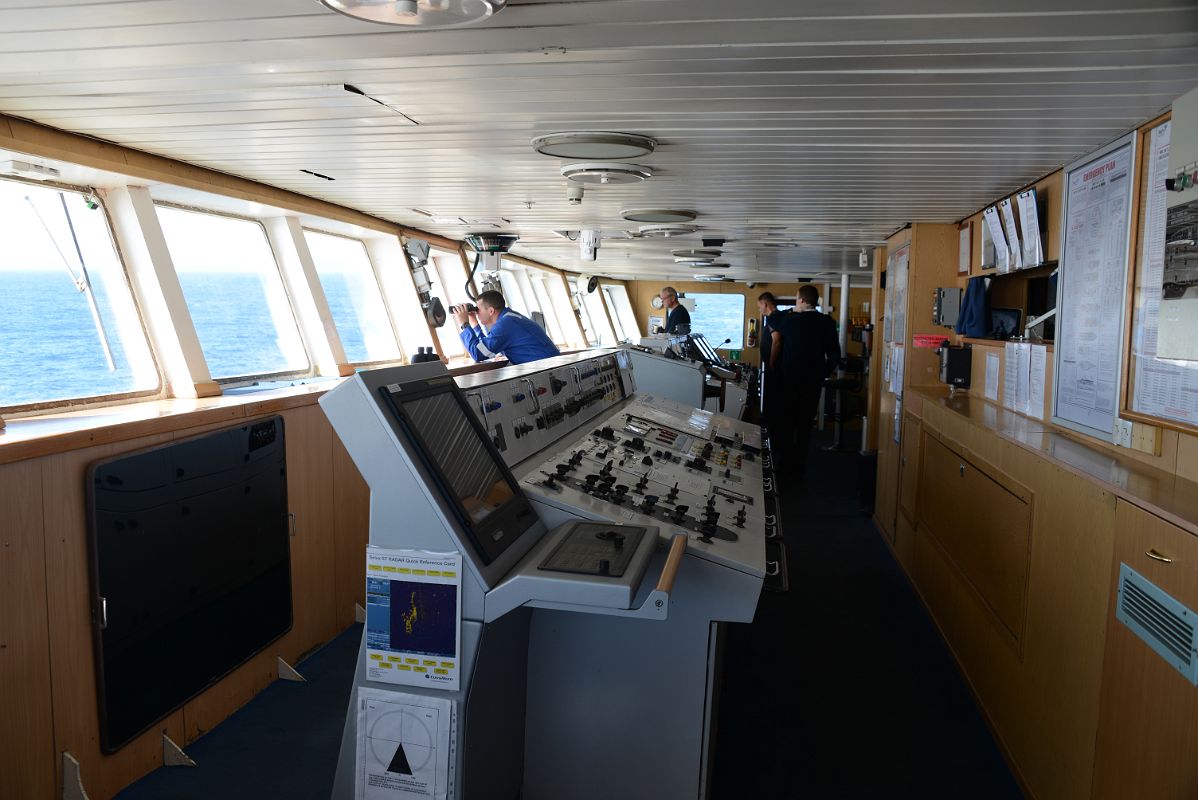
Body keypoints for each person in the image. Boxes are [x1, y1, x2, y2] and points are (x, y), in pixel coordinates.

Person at [775, 284, 840, 477]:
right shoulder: (827, 322)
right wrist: (821, 372)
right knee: (804, 425)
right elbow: (835, 355)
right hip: (812, 383)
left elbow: (773, 319)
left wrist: (790, 310)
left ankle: (785, 465)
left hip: (789, 381)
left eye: (796, 300)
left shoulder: (789, 320)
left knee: (787, 423)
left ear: (801, 301)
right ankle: (799, 466)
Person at [452, 290, 560, 365]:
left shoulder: (505, 324)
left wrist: (464, 324)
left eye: (478, 310)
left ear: (490, 311)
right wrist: (474, 323)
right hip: (549, 365)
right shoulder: (509, 317)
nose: (477, 313)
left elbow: (478, 354)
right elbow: (486, 349)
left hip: (546, 368)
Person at [756, 291, 791, 458]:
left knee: (774, 404)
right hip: (774, 369)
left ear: (765, 304)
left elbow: (776, 341)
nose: (760, 310)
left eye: (760, 306)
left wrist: (771, 362)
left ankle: (774, 440)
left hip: (774, 370)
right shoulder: (777, 318)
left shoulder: (773, 318)